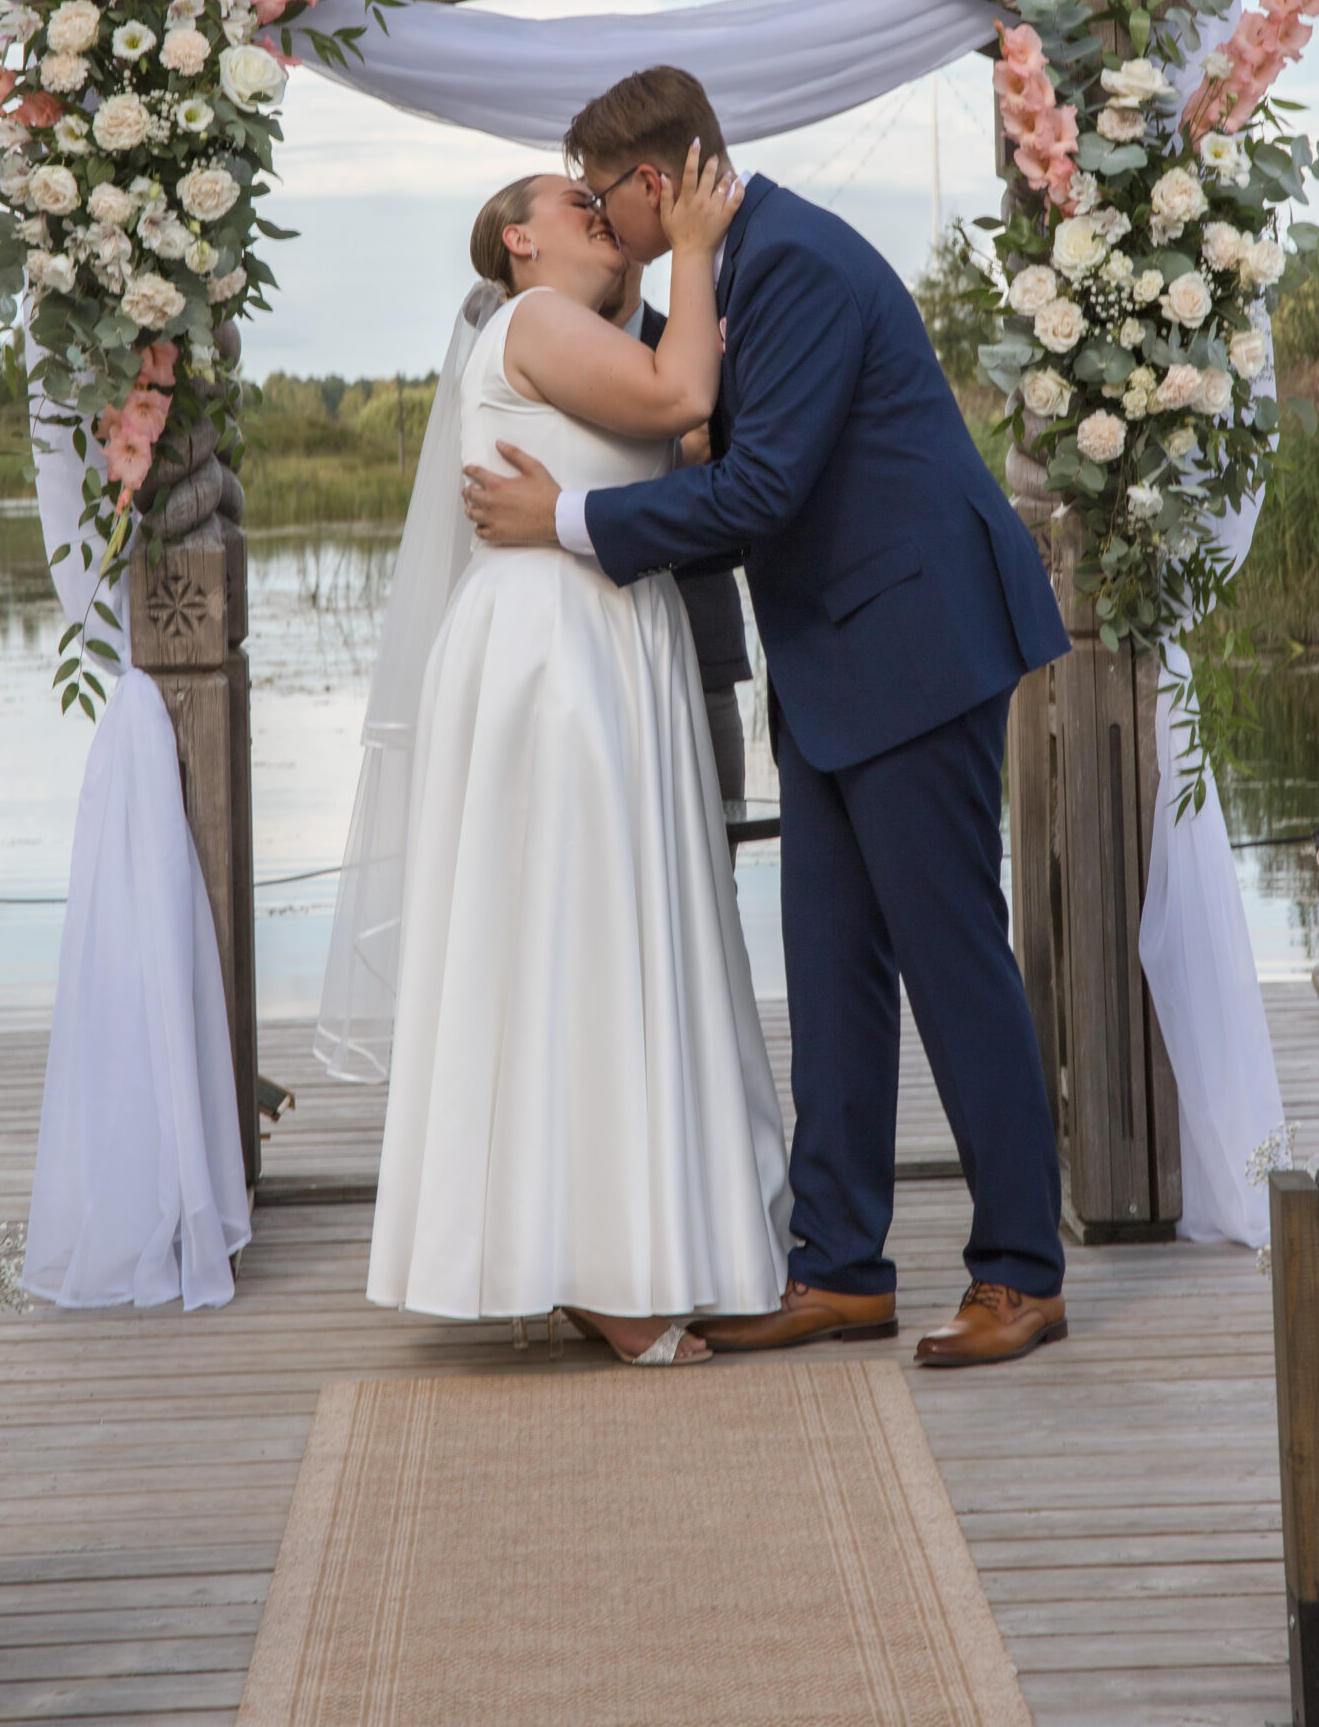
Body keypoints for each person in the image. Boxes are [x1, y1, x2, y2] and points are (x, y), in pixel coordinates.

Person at [462, 67, 1073, 1368]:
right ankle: (839, 1268)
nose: (602, 226)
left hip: (914, 644)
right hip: (835, 661)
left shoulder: (789, 263)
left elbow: (759, 495)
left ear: (653, 183)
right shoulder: (726, 274)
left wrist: (561, 519)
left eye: (602, 199)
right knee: (831, 964)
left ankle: (1020, 1271)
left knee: (951, 960)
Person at [367, 152, 790, 1367]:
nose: (596, 210)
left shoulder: (589, 333)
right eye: (572, 201)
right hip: (552, 657)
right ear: (519, 240)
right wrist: (693, 242)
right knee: (576, 940)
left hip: (615, 641)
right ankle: (600, 1270)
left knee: (610, 940)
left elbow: (685, 445)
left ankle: (608, 1240)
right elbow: (678, 395)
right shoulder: (535, 319)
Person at [604, 255, 752, 805]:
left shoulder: (695, 348)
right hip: (587, 655)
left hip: (701, 641)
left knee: (717, 838)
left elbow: (742, 483)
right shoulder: (550, 354)